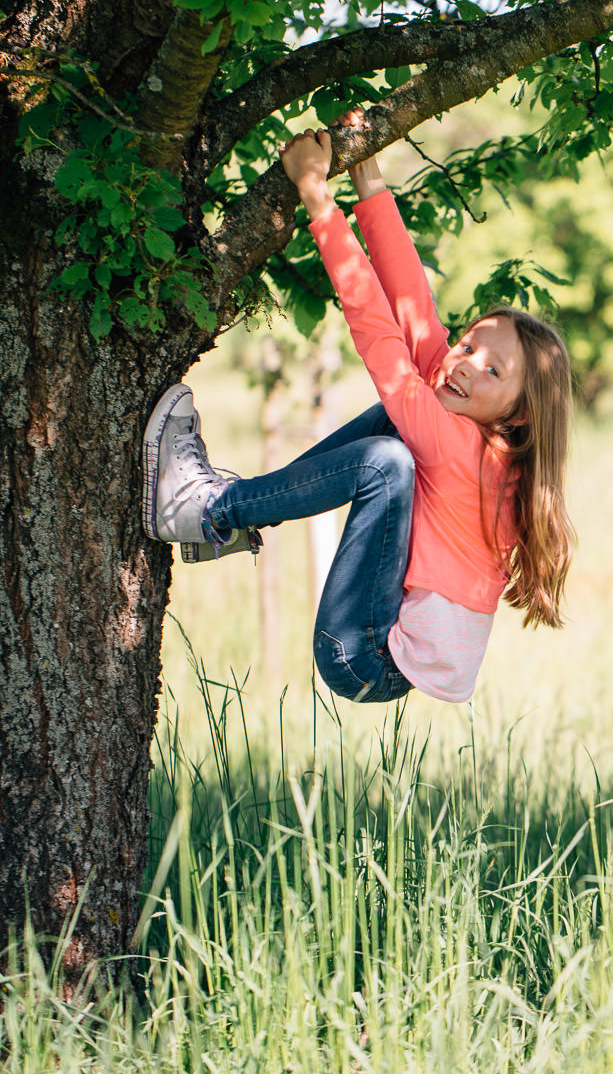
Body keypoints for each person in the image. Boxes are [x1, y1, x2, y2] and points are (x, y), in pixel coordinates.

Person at [142, 129, 575, 706]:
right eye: (469, 346)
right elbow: (414, 308)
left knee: (386, 459)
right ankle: (241, 510)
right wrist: (368, 181)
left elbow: (380, 334)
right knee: (396, 424)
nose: (467, 365)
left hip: (365, 654)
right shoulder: (481, 429)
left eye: (494, 370)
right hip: (384, 644)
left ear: (520, 415)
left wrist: (318, 196)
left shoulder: (457, 444)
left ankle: (213, 511)